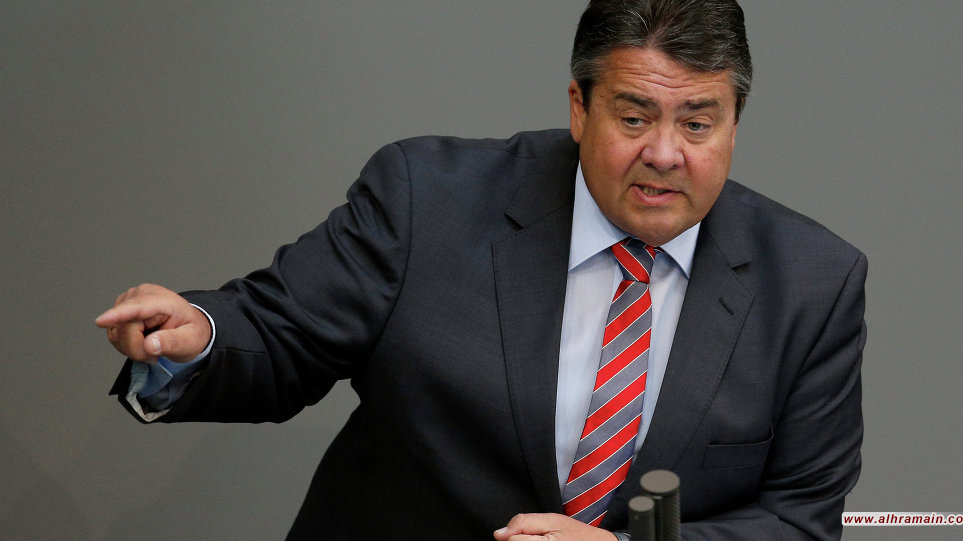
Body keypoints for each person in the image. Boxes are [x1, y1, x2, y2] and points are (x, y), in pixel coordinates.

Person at [96, 1, 866, 539]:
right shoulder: (428, 200)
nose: (665, 153)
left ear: (734, 123)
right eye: (634, 117)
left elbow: (800, 519)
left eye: (697, 123)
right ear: (579, 108)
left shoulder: (812, 284)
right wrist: (198, 335)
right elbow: (280, 332)